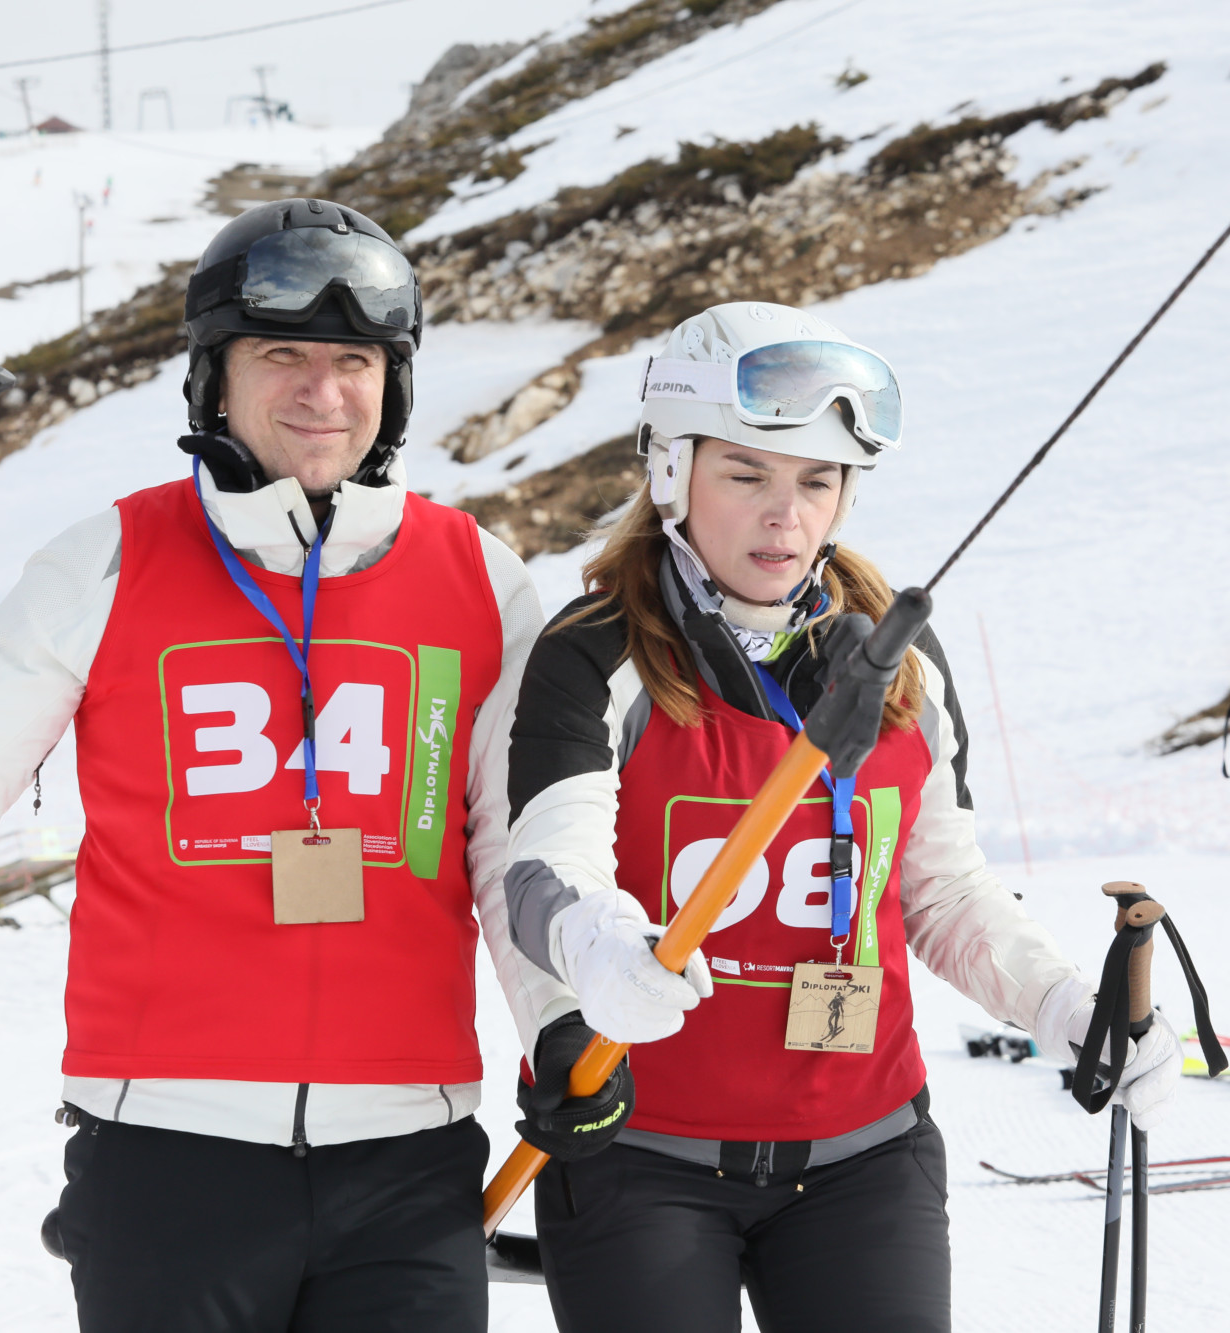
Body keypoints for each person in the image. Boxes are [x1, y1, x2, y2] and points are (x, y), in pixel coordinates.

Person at [0, 198, 577, 1333]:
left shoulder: (482, 579)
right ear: (215, 376)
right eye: (281, 356)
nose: (322, 392)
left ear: (394, 383)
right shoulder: (107, 560)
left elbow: (516, 858)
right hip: (165, 1148)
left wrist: (558, 1028)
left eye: (354, 360)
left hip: (408, 1161)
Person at [486, 302, 1183, 1332]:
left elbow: (941, 890)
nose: (786, 516)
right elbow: (545, 870)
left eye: (817, 481)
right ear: (672, 469)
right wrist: (597, 946)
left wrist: (1066, 1007)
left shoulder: (897, 660)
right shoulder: (596, 654)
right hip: (641, 1157)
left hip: (865, 1158)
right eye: (746, 475)